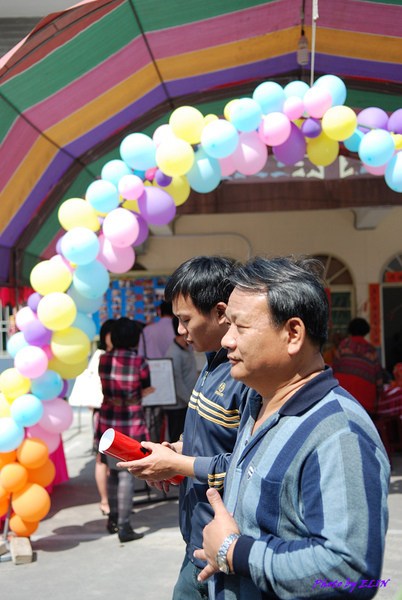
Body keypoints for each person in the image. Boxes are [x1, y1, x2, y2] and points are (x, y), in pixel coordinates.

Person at [192, 256, 390, 600]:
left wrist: (232, 551)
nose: (226, 341)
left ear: (293, 334)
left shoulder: (338, 432)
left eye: (240, 326)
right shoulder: (257, 404)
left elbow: (350, 571)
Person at [118, 256, 249, 600]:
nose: (179, 331)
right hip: (197, 537)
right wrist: (171, 452)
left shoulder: (245, 377)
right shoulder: (210, 364)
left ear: (222, 313)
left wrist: (177, 465)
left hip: (226, 544)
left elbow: (248, 466)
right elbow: (210, 442)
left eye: (185, 320)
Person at [98, 317, 152, 543]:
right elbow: (145, 387)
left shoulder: (103, 359)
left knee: (111, 470)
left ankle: (112, 518)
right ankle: (125, 525)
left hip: (108, 418)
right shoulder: (139, 361)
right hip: (131, 420)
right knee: (127, 473)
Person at [138, 300, 175, 442]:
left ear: (159, 311)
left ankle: (153, 450)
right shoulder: (177, 329)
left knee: (153, 421)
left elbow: (141, 357)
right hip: (174, 380)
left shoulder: (147, 330)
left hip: (152, 381)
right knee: (174, 421)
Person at [332, 317, 383, 415]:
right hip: (365, 403)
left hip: (342, 397)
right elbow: (379, 379)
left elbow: (334, 368)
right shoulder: (371, 350)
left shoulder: (344, 345)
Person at [164, 315, 199, 443]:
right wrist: (190, 401)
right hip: (179, 406)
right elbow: (176, 382)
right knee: (176, 440)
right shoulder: (173, 353)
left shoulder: (187, 347)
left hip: (187, 403)